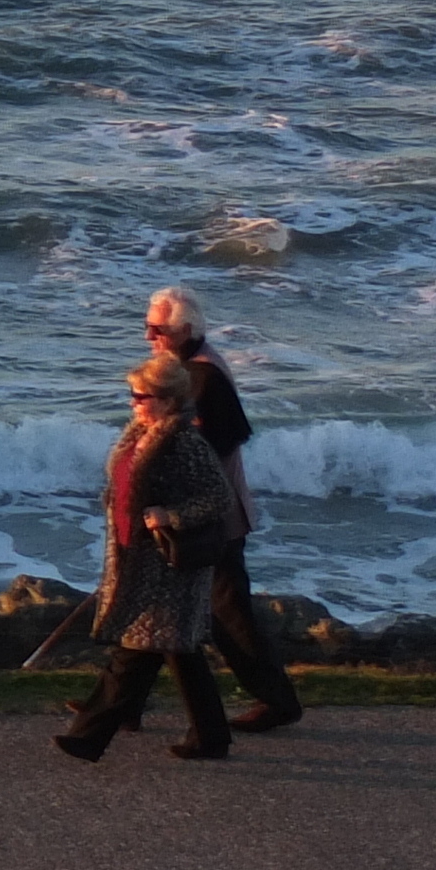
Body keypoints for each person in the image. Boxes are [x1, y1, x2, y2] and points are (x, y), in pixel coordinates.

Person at [55, 352, 236, 762]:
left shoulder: (185, 443)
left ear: (167, 400)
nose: (133, 402)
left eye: (142, 396)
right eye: (132, 395)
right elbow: (125, 482)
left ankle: (88, 736)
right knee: (179, 652)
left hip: (169, 567)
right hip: (137, 558)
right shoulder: (140, 432)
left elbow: (219, 498)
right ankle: (211, 737)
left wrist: (171, 515)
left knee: (135, 652)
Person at [149, 286, 303, 732]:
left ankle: (278, 701)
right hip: (198, 510)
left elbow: (231, 435)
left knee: (228, 613)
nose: (149, 337)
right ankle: (117, 706)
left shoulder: (205, 375)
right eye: (148, 328)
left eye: (157, 329)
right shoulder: (186, 369)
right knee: (167, 608)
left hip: (215, 515)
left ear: (184, 329)